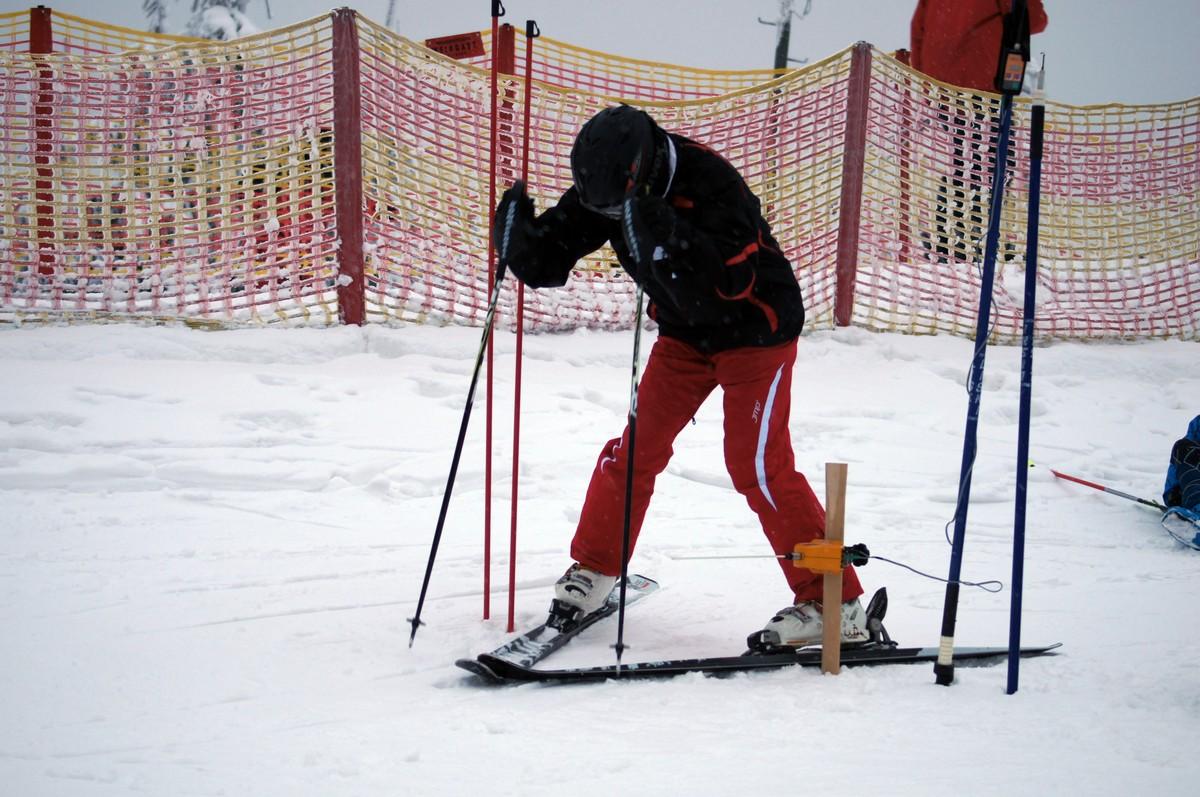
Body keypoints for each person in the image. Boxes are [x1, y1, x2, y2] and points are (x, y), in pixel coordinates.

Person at [492, 105, 866, 647]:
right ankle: (596, 569)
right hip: (686, 336)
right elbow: (557, 252)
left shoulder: (713, 184)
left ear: (642, 174)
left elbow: (728, 286)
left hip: (755, 332)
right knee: (634, 451)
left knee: (757, 467)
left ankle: (834, 600)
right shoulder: (609, 183)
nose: (609, 211)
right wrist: (524, 248)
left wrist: (667, 236)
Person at [909, 0, 1049, 262]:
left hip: (943, 85)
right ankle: (980, 237)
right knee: (997, 164)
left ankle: (949, 237)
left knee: (960, 163)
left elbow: (917, 29)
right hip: (985, 84)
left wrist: (927, 84)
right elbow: (1036, 18)